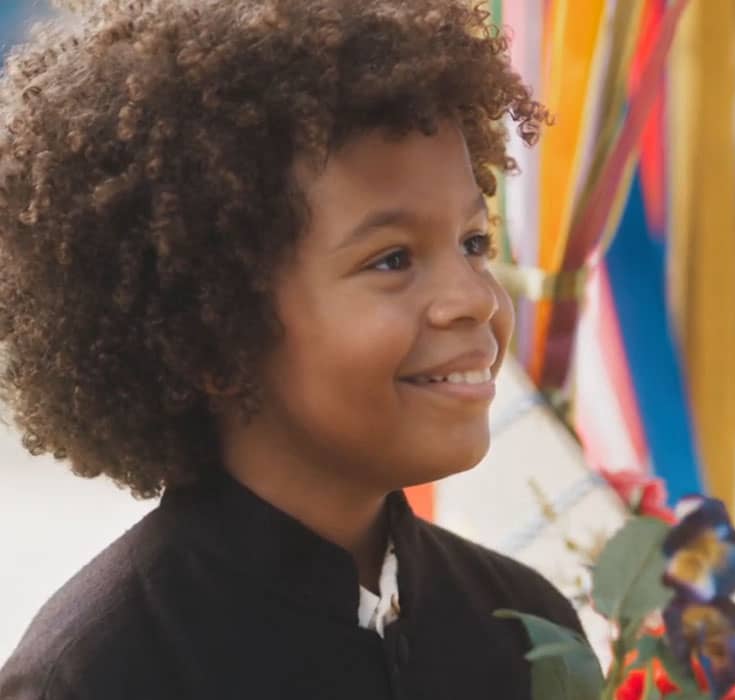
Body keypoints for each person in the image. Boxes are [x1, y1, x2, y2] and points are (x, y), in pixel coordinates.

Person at [0, 1, 580, 697]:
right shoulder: (100, 675)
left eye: (475, 244)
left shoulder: (526, 631)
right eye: (393, 258)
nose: (477, 299)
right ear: (212, 338)